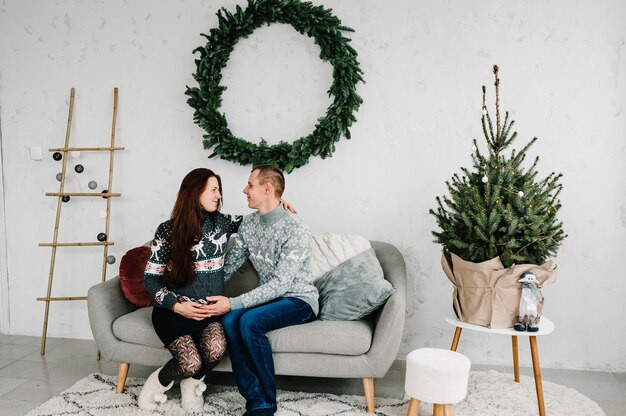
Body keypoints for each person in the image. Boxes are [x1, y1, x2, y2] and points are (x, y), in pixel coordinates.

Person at [138, 167, 295, 412]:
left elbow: (260, 215)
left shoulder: (223, 223)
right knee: (189, 362)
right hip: (175, 311)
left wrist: (276, 200)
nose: (219, 196)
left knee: (215, 350)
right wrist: (177, 305)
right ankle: (160, 381)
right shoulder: (168, 230)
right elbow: (151, 280)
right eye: (213, 190)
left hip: (208, 311)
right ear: (194, 192)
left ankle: (192, 384)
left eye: (219, 190)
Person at [205, 165, 319, 416]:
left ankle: (266, 404)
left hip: (299, 299)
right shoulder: (249, 224)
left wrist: (232, 301)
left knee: (249, 321)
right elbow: (230, 265)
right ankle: (255, 398)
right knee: (230, 319)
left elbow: (281, 284)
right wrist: (203, 292)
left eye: (250, 185)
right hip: (272, 299)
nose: (244, 190)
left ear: (267, 188)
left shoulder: (296, 227)